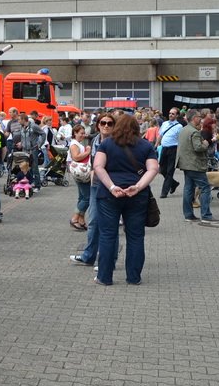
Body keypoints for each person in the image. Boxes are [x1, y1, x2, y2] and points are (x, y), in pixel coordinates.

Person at [91, 112, 159, 286]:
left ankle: (104, 278)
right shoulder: (146, 146)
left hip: (109, 195)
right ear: (137, 128)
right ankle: (134, 277)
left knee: (107, 235)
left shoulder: (106, 144)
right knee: (136, 236)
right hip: (137, 196)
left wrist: (112, 187)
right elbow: (153, 169)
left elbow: (98, 166)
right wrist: (138, 186)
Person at [69, 113, 118, 268]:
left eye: (110, 123)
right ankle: (88, 256)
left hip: (111, 185)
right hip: (96, 185)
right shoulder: (94, 140)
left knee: (110, 224)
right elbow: (91, 163)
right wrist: (91, 181)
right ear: (97, 125)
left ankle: (109, 260)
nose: (106, 126)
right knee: (93, 222)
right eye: (103, 123)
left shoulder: (117, 143)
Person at [176, 109, 214, 222]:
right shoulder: (194, 132)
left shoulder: (183, 130)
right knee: (205, 188)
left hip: (185, 164)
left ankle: (188, 215)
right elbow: (198, 147)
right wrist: (206, 143)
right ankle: (206, 215)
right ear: (194, 118)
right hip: (195, 164)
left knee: (188, 188)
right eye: (199, 117)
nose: (200, 119)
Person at [68, 123, 91, 230]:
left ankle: (81, 220)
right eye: (81, 133)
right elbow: (76, 157)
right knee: (87, 198)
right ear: (75, 133)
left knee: (82, 197)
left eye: (83, 133)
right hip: (80, 172)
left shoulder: (77, 143)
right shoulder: (74, 144)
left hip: (79, 172)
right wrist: (88, 152)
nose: (83, 135)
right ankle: (75, 218)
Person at [157, 108, 183, 198]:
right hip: (164, 149)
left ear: (177, 115)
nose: (171, 115)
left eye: (173, 114)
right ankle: (174, 183)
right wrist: (156, 145)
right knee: (162, 170)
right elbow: (160, 135)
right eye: (170, 113)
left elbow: (181, 140)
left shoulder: (179, 126)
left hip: (173, 149)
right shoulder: (164, 123)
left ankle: (164, 192)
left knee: (169, 171)